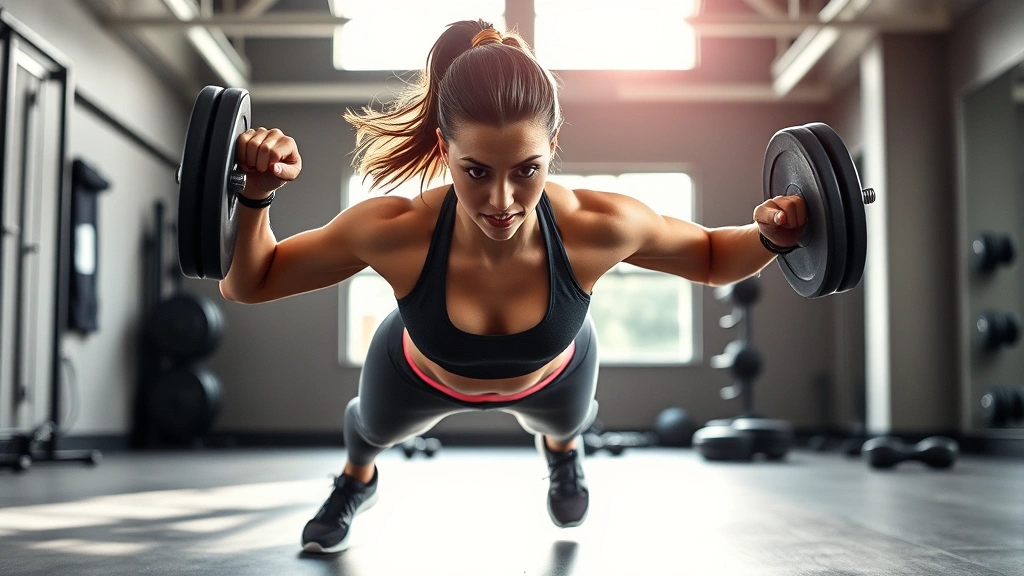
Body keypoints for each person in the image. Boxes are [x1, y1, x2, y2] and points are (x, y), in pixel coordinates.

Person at [219, 20, 806, 554]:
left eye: (526, 169)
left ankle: (562, 451)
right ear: (446, 151)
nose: (502, 202)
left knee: (566, 422)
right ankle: (355, 480)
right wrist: (256, 194)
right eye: (476, 171)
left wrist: (775, 231)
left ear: (552, 148)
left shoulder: (595, 227)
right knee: (369, 432)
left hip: (558, 374)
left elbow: (709, 256)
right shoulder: (395, 232)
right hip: (416, 375)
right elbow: (253, 282)